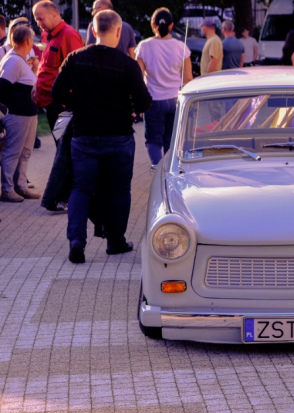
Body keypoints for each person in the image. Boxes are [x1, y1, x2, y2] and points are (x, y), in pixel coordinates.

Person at [52, 10, 152, 264]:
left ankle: (77, 241)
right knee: (119, 190)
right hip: (119, 137)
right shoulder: (127, 65)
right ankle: (115, 240)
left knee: (81, 188)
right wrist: (129, 106)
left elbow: (57, 93)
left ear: (94, 31)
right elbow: (143, 102)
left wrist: (77, 103)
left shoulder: (75, 59)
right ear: (119, 32)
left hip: (84, 136)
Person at [135, 8, 192, 168]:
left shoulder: (143, 46)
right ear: (172, 25)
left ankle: (156, 167)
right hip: (175, 100)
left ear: (153, 25)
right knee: (170, 140)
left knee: (153, 140)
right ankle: (168, 170)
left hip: (153, 100)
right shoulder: (182, 47)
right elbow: (188, 78)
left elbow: (139, 77)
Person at [0, 26, 40, 203]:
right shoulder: (13, 61)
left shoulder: (20, 60)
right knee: (13, 151)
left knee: (25, 151)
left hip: (28, 114)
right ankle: (7, 188)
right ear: (28, 41)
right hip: (17, 114)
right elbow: (3, 87)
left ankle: (21, 185)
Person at [32, 0, 83, 133]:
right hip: (52, 104)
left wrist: (66, 103)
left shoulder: (68, 35)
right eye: (37, 20)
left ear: (54, 14)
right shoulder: (54, 36)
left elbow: (76, 72)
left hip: (61, 106)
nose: (38, 24)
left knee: (64, 147)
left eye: (41, 19)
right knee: (61, 146)